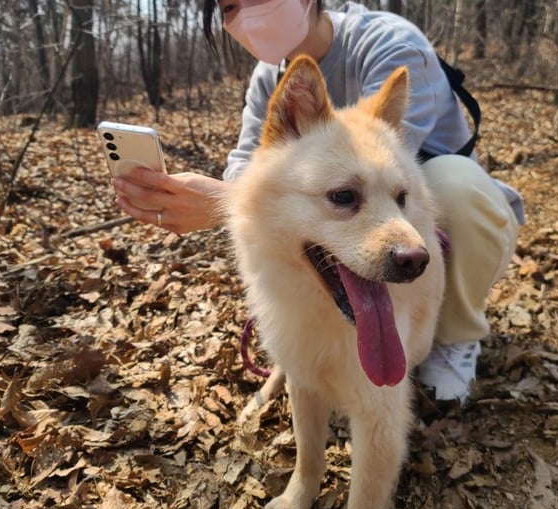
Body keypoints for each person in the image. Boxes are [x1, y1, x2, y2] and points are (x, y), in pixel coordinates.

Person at [113, 0, 524, 403]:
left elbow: (385, 170)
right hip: (357, 221)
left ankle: (455, 335)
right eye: (229, 8)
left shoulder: (390, 43)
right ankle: (315, 353)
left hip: (437, 213)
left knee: (449, 184)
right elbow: (249, 160)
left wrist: (225, 202)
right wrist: (231, 198)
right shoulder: (270, 77)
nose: (245, 17)